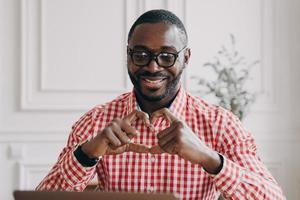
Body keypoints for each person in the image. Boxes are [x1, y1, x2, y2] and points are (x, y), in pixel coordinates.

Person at [36, 9, 285, 200]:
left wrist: (209, 158)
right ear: (128, 55)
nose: (153, 67)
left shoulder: (221, 124)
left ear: (186, 58)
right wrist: (87, 154)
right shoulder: (95, 123)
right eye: (141, 55)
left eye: (167, 56)